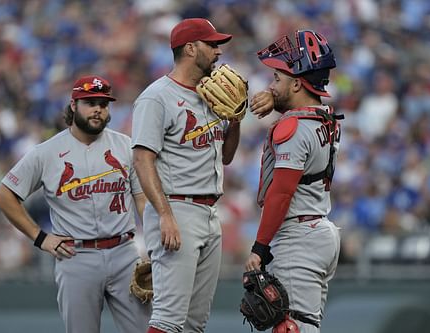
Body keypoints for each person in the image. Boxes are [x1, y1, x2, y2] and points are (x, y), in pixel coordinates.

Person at [0, 75, 151, 333]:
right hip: (77, 257)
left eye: (104, 103)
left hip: (125, 252)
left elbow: (142, 198)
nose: (98, 109)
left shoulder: (125, 146)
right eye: (90, 102)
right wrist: (40, 237)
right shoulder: (46, 152)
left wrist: (153, 240)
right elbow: (4, 194)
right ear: (74, 105)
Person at [131, 18, 241, 333]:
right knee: (167, 319)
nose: (219, 51)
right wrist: (164, 215)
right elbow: (142, 160)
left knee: (194, 323)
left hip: (209, 210)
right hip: (176, 208)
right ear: (190, 48)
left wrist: (235, 121)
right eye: (212, 44)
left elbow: (227, 156)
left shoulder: (214, 95)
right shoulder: (157, 97)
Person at [245, 30, 343, 333]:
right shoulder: (324, 116)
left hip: (297, 237)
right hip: (318, 230)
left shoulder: (292, 126)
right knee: (305, 325)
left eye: (277, 79)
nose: (271, 86)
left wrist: (259, 248)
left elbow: (281, 192)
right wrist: (276, 98)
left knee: (291, 328)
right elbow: (298, 109)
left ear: (298, 82)